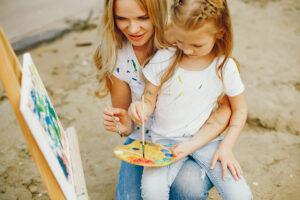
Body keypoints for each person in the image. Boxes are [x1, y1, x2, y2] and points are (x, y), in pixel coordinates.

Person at [94, 0, 238, 199]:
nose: (133, 28)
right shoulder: (117, 57)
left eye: (143, 17)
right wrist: (125, 123)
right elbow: (127, 125)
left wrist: (215, 143)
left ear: (158, 12)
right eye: (122, 18)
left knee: (188, 189)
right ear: (112, 18)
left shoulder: (182, 33)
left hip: (193, 137)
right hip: (146, 140)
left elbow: (226, 103)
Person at [128, 0, 253, 199]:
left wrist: (227, 147)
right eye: (180, 41)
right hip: (164, 143)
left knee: (240, 194)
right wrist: (140, 107)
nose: (187, 50)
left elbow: (240, 110)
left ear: (220, 32)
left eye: (197, 44)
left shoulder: (225, 67)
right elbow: (148, 99)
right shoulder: (164, 58)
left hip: (207, 141)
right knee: (152, 192)